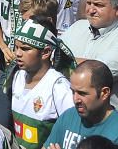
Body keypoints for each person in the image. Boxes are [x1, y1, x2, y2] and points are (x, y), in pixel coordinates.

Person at [42, 61, 118, 149]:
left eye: (82, 93)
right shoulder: (68, 116)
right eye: (73, 92)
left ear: (104, 93)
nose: (75, 99)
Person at [10, 19, 75, 149]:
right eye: (16, 47)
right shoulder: (17, 76)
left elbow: (72, 129)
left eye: (25, 48)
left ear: (46, 52)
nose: (17, 53)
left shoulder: (58, 87)